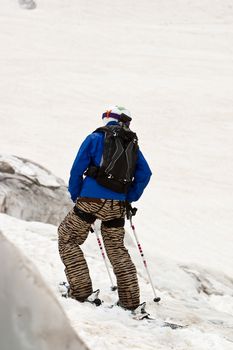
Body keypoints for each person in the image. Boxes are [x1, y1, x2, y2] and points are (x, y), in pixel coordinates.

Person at [58, 105, 152, 311]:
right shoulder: (132, 144)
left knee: (68, 237)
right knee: (117, 250)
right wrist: (129, 197)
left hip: (90, 199)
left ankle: (80, 291)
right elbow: (145, 173)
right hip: (117, 204)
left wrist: (77, 195)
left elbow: (76, 170)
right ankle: (130, 302)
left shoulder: (94, 138)